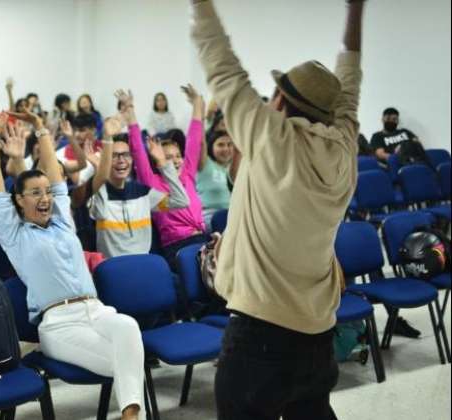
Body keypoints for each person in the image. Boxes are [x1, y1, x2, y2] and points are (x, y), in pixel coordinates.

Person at [190, 0, 366, 418]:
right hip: (318, 333)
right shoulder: (343, 146)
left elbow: (221, 63)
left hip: (259, 336)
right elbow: (350, 78)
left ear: (280, 101)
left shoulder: (270, 138)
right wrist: (356, 13)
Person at [0, 110, 145, 420]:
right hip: (59, 323)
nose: (45, 197)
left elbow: (56, 177)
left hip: (97, 310)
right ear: (18, 200)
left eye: (47, 192)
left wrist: (42, 128)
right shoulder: (14, 234)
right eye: (35, 193)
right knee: (128, 362)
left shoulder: (62, 222)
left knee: (128, 327)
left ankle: (131, 415)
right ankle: (132, 415)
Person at [82, 116, 190, 258]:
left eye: (126, 155)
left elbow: (182, 201)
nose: (121, 160)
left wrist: (163, 163)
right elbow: (100, 212)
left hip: (143, 265)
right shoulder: (98, 196)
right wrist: (100, 167)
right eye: (114, 156)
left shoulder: (143, 193)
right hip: (113, 269)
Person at [124, 86, 207, 266]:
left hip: (203, 238)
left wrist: (197, 105)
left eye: (178, 156)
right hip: (178, 246)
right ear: (158, 160)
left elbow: (194, 140)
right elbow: (138, 150)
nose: (176, 161)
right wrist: (130, 114)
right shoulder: (152, 182)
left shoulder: (187, 175)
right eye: (168, 157)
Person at [196, 130, 239, 228]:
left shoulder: (231, 169)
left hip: (231, 216)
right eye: (220, 145)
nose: (226, 149)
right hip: (209, 217)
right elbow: (200, 141)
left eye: (229, 145)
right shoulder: (205, 164)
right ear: (211, 146)